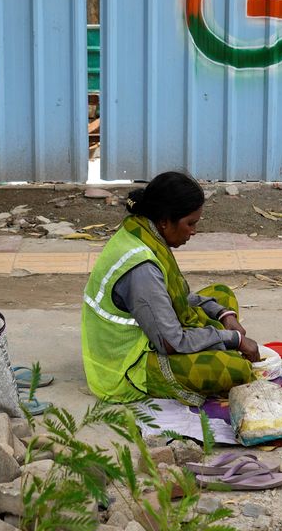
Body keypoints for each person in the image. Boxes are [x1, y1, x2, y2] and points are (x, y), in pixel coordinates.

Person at [80, 171, 261, 406]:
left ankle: (217, 336)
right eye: (190, 223)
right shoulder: (142, 268)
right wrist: (233, 339)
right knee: (236, 369)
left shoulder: (143, 231)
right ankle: (211, 353)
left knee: (221, 295)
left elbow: (179, 297)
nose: (194, 231)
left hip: (152, 331)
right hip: (129, 362)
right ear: (165, 221)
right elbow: (171, 342)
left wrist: (223, 315)